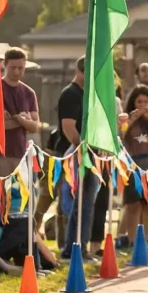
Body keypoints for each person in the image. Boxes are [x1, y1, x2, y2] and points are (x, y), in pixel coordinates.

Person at [57, 60, 103, 260]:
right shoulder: (70, 94)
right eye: (88, 73)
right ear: (79, 71)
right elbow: (69, 128)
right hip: (78, 153)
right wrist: (84, 148)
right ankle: (73, 248)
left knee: (86, 204)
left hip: (90, 153)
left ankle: (78, 246)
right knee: (79, 203)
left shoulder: (88, 95)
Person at [120, 86, 148, 249]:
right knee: (133, 204)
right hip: (132, 164)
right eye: (139, 102)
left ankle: (146, 239)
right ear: (133, 102)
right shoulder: (127, 118)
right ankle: (132, 241)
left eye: (146, 102)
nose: (143, 105)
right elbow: (122, 135)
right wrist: (131, 120)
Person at [0, 48, 40, 177]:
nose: (17, 71)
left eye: (20, 68)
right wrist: (22, 119)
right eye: (13, 67)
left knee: (18, 195)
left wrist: (15, 118)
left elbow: (35, 126)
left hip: (19, 153)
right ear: (4, 64)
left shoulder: (29, 93)